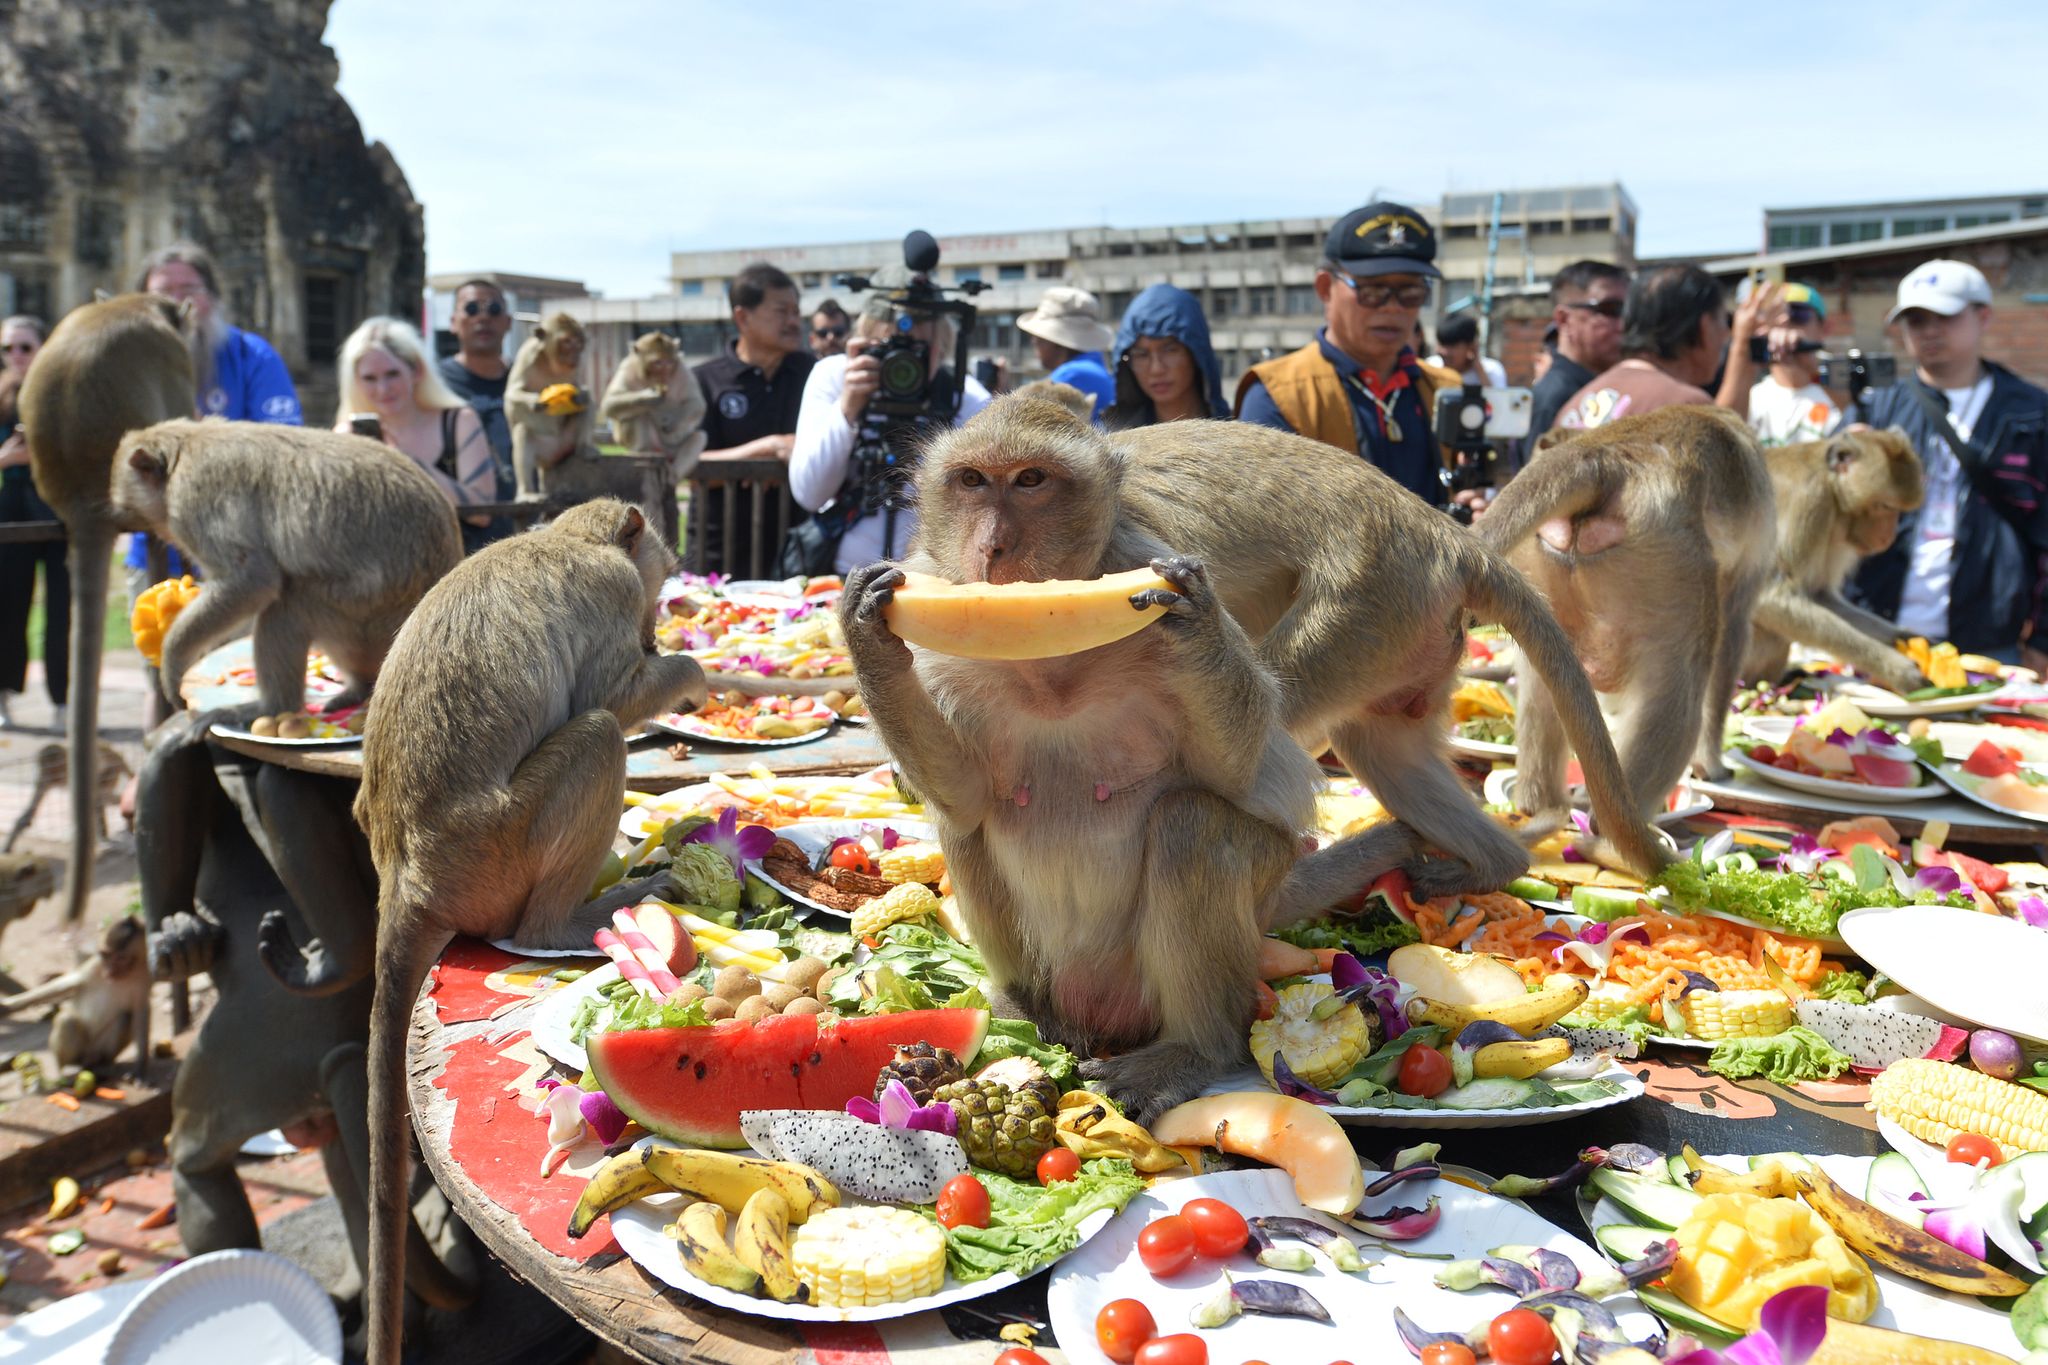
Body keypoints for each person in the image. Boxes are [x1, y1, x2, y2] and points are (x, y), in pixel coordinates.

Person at [130, 242, 302, 723]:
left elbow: (287, 448)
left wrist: (205, 441)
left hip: (243, 559)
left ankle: (228, 785)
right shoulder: (130, 370)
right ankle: (159, 782)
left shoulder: (251, 356)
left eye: (190, 290)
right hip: (154, 551)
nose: (179, 304)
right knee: (162, 677)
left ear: (213, 296)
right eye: (163, 292)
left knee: (234, 680)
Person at [1847, 260, 2048, 669]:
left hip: (1988, 640)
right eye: (1916, 320)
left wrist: (2043, 640)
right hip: (1876, 633)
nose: (1930, 330)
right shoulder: (1876, 408)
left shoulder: (2031, 413)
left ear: (1983, 316)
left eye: (1945, 316)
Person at [1236, 201, 1466, 510]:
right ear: (1325, 288)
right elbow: (1264, 523)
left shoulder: (1446, 388)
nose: (1393, 307)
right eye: (1373, 291)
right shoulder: (1277, 394)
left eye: (1410, 292)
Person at [788, 268, 993, 575]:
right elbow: (810, 493)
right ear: (866, 339)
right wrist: (848, 407)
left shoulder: (964, 398)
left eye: (919, 353)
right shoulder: (835, 377)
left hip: (927, 582)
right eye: (891, 349)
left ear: (942, 343)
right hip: (838, 576)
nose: (904, 367)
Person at [692, 263, 815, 574]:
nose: (793, 321)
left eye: (796, 311)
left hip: (800, 550)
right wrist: (767, 448)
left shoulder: (814, 373)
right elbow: (688, 465)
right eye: (781, 311)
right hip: (720, 553)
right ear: (742, 318)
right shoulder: (703, 381)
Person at [336, 318, 497, 551]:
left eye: (392, 374)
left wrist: (405, 460)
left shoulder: (458, 421)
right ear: (355, 382)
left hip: (455, 568)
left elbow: (482, 512)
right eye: (370, 378)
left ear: (417, 371)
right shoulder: (345, 437)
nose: (383, 389)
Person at [1557, 264, 1750, 431]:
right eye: (1725, 322)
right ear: (1705, 328)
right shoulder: (1689, 410)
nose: (1726, 334)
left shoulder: (1570, 409)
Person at [0, 315, 63, 732]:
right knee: (7, 607)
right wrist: (5, 459)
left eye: (25, 346)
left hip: (58, 510)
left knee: (63, 614)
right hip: (11, 512)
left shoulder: (63, 395)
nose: (16, 356)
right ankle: (4, 696)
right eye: (8, 349)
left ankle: (65, 701)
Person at [435, 278, 517, 545]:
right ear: (453, 322)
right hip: (460, 539)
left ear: (508, 322)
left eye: (493, 309)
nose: (483, 317)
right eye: (471, 309)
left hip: (530, 531)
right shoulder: (433, 385)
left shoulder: (529, 382)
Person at [1528, 260, 1629, 437]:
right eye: (1610, 309)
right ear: (1564, 319)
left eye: (1629, 311)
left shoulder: (1611, 387)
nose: (1623, 324)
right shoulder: (1553, 398)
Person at [1104, 284, 1226, 429]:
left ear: (1195, 353)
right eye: (1142, 355)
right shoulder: (1115, 443)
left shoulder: (1238, 438)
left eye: (1170, 350)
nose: (1157, 369)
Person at [1742, 282, 1839, 447]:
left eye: (1799, 313)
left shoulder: (1840, 397)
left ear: (1825, 328)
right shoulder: (1749, 398)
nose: (1785, 321)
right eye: (1774, 313)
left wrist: (1811, 367)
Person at [1015, 286, 1118, 422]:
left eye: (1038, 338)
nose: (1033, 341)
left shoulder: (1071, 375)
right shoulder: (1094, 368)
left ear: (1054, 340)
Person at [1428, 311, 1506, 388]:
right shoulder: (1430, 367)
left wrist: (1479, 369)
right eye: (1442, 344)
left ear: (1471, 346)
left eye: (1452, 346)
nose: (1443, 352)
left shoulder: (1492, 371)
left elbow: (1496, 399)